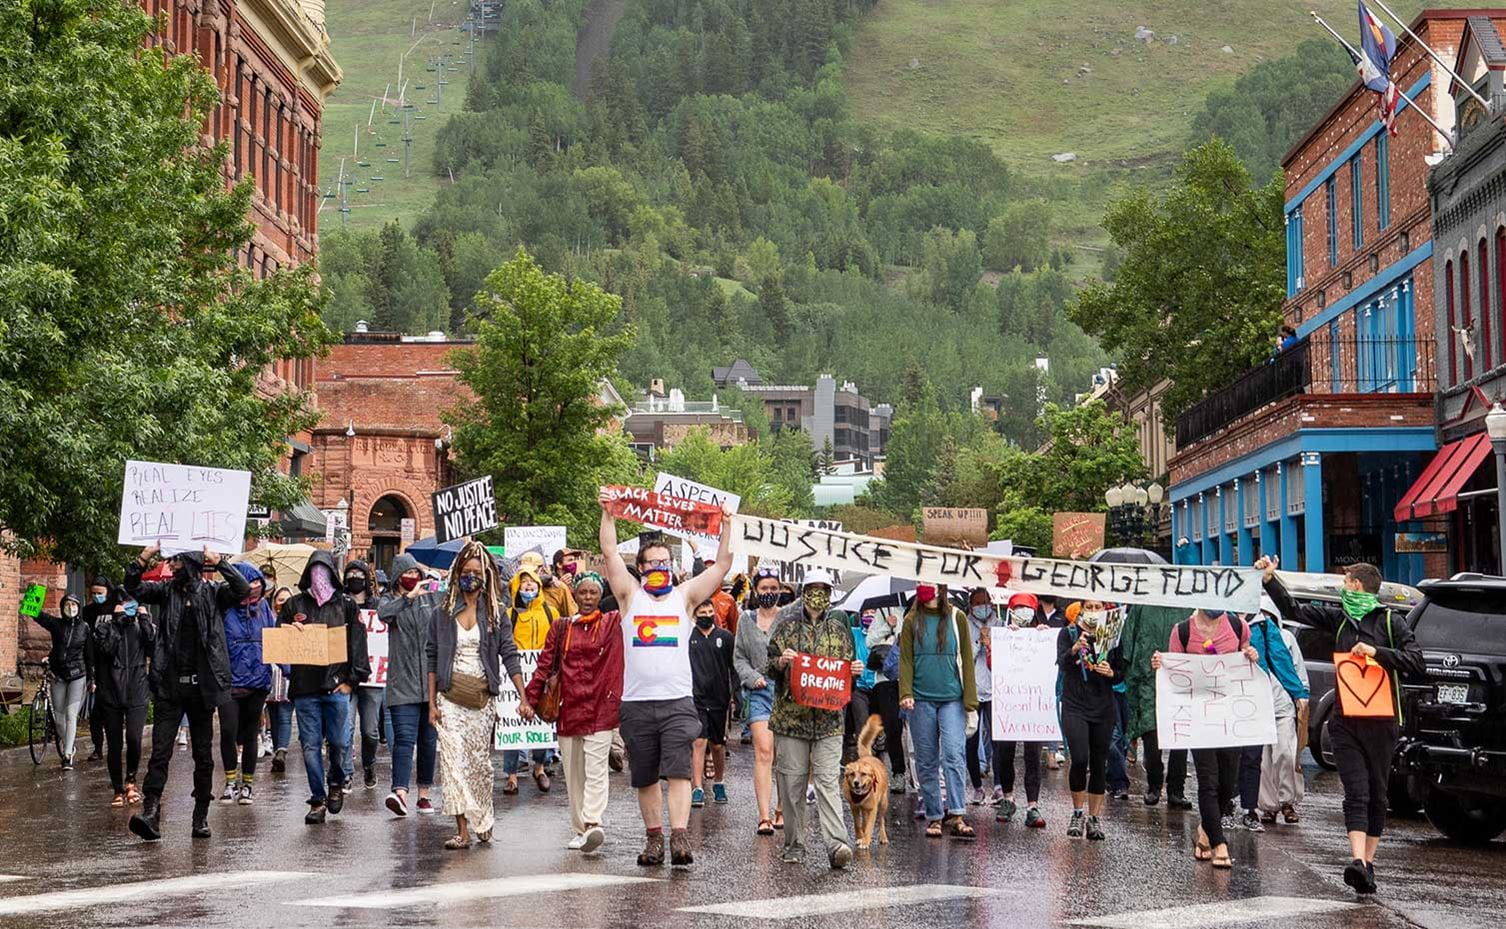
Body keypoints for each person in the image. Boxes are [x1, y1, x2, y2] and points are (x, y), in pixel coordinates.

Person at [1257, 556, 1423, 894]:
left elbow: (1416, 661)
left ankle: (1368, 864)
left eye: (1346, 582)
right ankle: (1358, 860)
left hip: (1382, 720)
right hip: (1345, 721)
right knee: (1356, 791)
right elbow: (1294, 610)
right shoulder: (1341, 619)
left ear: (1358, 585)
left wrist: (1376, 652)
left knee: (1377, 792)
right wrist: (1271, 580)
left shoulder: (1391, 621)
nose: (1343, 587)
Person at [597, 492, 735, 869]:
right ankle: (654, 839)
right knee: (645, 777)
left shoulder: (684, 597)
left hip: (677, 702)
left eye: (665, 561)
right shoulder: (629, 595)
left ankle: (680, 837)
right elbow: (609, 553)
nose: (660, 566)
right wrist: (608, 514)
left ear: (672, 566)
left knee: (678, 772)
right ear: (640, 567)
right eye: (652, 562)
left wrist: (727, 525)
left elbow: (723, 565)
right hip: (637, 704)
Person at [124, 544, 251, 841]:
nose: (172, 566)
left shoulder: (213, 593)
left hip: (202, 688)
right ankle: (151, 811)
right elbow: (132, 587)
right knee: (160, 752)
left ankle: (200, 815)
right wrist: (144, 557)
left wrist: (219, 563)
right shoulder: (166, 592)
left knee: (203, 756)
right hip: (170, 685)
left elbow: (242, 589)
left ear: (192, 562)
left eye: (177, 561)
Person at [427, 541, 530, 850]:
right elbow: (431, 657)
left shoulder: (496, 614)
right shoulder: (442, 613)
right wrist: (431, 703)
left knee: (479, 764)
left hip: (482, 698)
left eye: (476, 572)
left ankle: (483, 816)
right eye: (465, 571)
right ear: (456, 574)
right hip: (449, 697)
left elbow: (509, 654)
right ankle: (462, 830)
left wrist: (523, 696)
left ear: (485, 576)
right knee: (453, 764)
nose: (470, 576)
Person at [765, 569, 858, 868]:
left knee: (828, 781)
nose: (819, 594)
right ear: (804, 592)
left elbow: (846, 674)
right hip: (791, 721)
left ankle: (837, 845)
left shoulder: (840, 630)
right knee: (792, 784)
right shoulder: (786, 627)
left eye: (824, 589)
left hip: (829, 721)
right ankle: (794, 845)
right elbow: (769, 665)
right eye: (814, 588)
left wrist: (854, 670)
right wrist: (781, 662)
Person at [1152, 606, 1258, 868]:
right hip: (1199, 718)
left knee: (1227, 783)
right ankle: (1220, 844)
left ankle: (1206, 830)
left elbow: (1246, 657)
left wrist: (1251, 654)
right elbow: (1174, 673)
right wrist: (1161, 665)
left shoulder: (1238, 626)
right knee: (1208, 780)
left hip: (1230, 717)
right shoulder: (1182, 631)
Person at [526, 572, 624, 851]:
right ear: (574, 595)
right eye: (583, 592)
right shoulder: (560, 627)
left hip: (601, 709)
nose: (588, 598)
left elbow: (630, 597)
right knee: (574, 774)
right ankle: (581, 829)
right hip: (568, 708)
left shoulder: (612, 623)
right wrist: (529, 700)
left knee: (596, 770)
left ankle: (593, 822)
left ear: (601, 595)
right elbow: (545, 665)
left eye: (594, 592)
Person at [279, 550, 371, 825]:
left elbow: (358, 643)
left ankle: (336, 782)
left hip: (336, 687)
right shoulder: (294, 605)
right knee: (310, 746)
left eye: (324, 570)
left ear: (332, 573)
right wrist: (289, 633)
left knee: (340, 742)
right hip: (305, 689)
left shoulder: (346, 605)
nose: (319, 576)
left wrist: (351, 681)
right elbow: (278, 641)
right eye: (315, 570)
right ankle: (317, 799)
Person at [899, 584, 979, 839]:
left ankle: (957, 814)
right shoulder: (911, 620)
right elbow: (905, 659)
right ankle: (934, 816)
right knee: (926, 760)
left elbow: (966, 659)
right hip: (920, 700)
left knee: (954, 755)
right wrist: (905, 693)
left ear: (941, 587)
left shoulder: (957, 617)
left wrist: (970, 700)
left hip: (952, 699)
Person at [379, 554, 441, 817]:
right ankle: (400, 793)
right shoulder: (389, 600)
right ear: (398, 577)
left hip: (430, 683)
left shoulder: (430, 598)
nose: (413, 578)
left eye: (416, 573)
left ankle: (424, 794)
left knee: (428, 741)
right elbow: (383, 614)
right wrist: (407, 598)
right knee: (404, 739)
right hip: (402, 683)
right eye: (408, 574)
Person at [1058, 600, 1125, 841]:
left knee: (1099, 761)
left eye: (1098, 607)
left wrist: (1112, 673)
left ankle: (1094, 818)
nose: (1094, 612)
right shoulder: (1069, 633)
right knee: (1079, 758)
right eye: (1090, 607)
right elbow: (1062, 663)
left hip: (1102, 705)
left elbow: (1121, 671)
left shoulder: (1113, 636)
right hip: (1075, 704)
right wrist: (1074, 649)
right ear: (1081, 609)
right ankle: (1077, 812)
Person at [1121, 603, 1194, 809]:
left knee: (1180, 736)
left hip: (1181, 682)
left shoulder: (1190, 608)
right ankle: (1154, 785)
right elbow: (1128, 640)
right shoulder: (1142, 606)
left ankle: (1176, 790)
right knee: (1151, 734)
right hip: (1148, 680)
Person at [1247, 596, 1309, 827]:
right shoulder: (1245, 637)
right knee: (1263, 761)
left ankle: (1287, 801)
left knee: (1286, 753)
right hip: (1258, 706)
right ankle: (1269, 806)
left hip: (1283, 705)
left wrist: (1301, 696)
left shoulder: (1286, 638)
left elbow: (1295, 668)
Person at [219, 563, 275, 805]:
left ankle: (248, 785)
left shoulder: (265, 609)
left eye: (257, 583)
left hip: (258, 680)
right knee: (228, 731)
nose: (254, 587)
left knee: (251, 733)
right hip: (229, 681)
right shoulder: (224, 609)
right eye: (249, 583)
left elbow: (276, 639)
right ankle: (230, 781)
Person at [733, 566, 784, 834]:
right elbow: (739, 657)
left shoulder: (788, 617)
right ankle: (764, 816)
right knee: (764, 752)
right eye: (764, 588)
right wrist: (752, 677)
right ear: (755, 590)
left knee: (785, 756)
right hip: (759, 692)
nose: (769, 593)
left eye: (774, 588)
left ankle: (781, 809)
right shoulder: (745, 620)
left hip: (785, 692)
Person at [92, 597, 154, 805]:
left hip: (137, 690)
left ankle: (131, 780)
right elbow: (106, 650)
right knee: (115, 743)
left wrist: (144, 619)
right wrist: (117, 623)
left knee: (134, 738)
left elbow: (153, 646)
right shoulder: (104, 628)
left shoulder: (141, 627)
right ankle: (117, 788)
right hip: (111, 692)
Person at [993, 593, 1048, 828]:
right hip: (1008, 704)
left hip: (1033, 706)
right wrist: (1001, 642)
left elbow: (1053, 662)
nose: (1022, 612)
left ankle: (1033, 805)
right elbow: (992, 664)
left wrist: (1045, 639)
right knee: (1004, 753)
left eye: (1026, 608)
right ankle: (1008, 799)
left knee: (1032, 755)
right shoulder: (1003, 635)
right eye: (1018, 608)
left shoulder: (1043, 635)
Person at [503, 564, 557, 794]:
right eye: (523, 582)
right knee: (511, 724)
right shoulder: (509, 615)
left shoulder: (551, 613)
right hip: (515, 677)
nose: (528, 586)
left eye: (532, 582)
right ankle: (512, 775)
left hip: (542, 675)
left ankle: (540, 767)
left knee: (543, 719)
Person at [31, 593, 90, 769]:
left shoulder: (84, 627)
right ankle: (69, 743)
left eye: (74, 605)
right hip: (58, 675)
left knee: (71, 715)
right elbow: (36, 614)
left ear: (79, 607)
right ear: (62, 607)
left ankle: (68, 754)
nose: (71, 608)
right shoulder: (56, 624)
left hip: (77, 675)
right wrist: (34, 592)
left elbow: (89, 655)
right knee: (59, 719)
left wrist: (92, 678)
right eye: (67, 605)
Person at [689, 598, 736, 807]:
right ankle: (697, 787)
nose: (707, 616)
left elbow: (733, 667)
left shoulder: (725, 637)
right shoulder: (689, 637)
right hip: (696, 697)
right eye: (702, 613)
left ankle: (719, 781)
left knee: (717, 745)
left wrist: (735, 696)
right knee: (698, 741)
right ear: (694, 615)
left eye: (710, 612)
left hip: (719, 697)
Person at [343, 560, 384, 791]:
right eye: (350, 573)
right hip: (346, 677)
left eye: (359, 574)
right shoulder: (340, 603)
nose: (355, 577)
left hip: (373, 678)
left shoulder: (378, 606)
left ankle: (369, 764)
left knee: (370, 731)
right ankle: (346, 772)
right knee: (346, 727)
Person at [864, 604, 909, 793]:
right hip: (885, 680)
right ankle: (899, 773)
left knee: (915, 732)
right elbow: (869, 642)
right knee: (893, 728)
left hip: (910, 678)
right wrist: (887, 626)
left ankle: (920, 777)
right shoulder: (883, 611)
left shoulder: (914, 612)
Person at [81, 575, 119, 762]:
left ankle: (114, 746)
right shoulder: (87, 611)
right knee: (96, 712)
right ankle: (98, 747)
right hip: (96, 664)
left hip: (115, 664)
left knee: (113, 710)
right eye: (93, 593)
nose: (96, 596)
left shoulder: (116, 608)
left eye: (100, 593)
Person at [963, 588, 996, 805]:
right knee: (971, 740)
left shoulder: (1000, 624)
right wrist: (978, 644)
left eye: (985, 602)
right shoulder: (964, 625)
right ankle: (976, 786)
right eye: (977, 603)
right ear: (971, 606)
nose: (981, 606)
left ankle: (1000, 786)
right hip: (973, 690)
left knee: (997, 740)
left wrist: (991, 645)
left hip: (995, 690)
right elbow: (963, 657)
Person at [265, 585, 295, 773]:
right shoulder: (267, 620)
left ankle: (282, 750)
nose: (283, 604)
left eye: (287, 600)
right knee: (273, 716)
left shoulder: (297, 623)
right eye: (280, 600)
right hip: (270, 674)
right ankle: (278, 750)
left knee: (284, 715)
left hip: (289, 676)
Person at [843, 605, 877, 765]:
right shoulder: (854, 633)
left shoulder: (885, 633)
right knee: (862, 726)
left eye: (872, 612)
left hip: (879, 686)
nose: (869, 615)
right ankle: (864, 762)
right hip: (859, 686)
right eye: (866, 613)